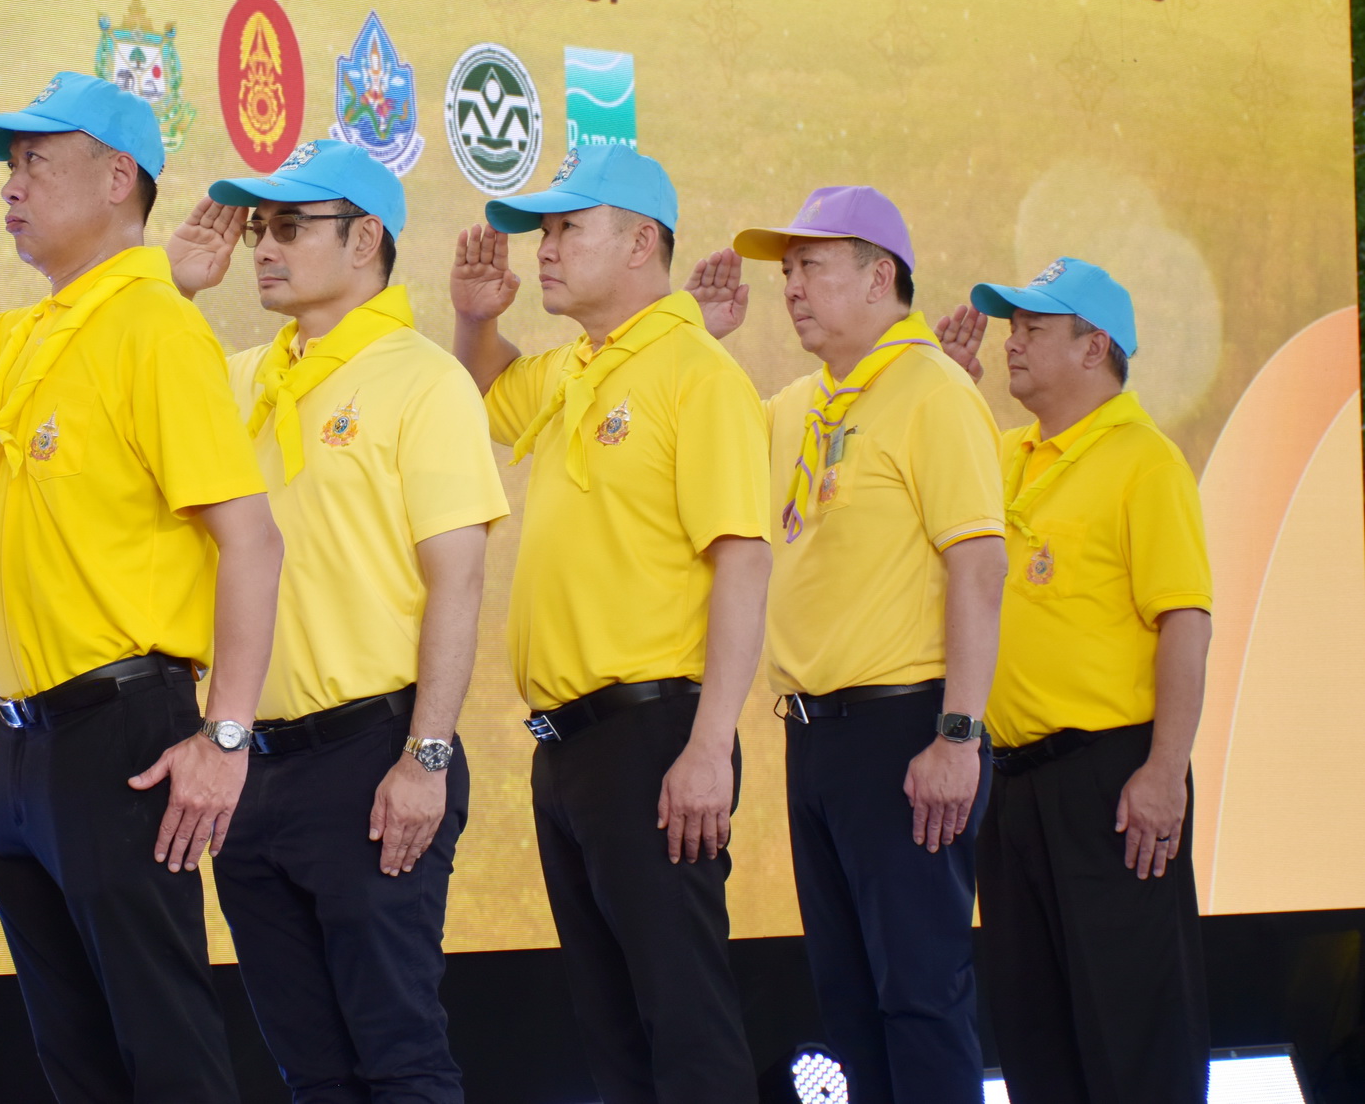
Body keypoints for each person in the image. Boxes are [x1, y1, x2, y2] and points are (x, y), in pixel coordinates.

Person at [0, 71, 282, 1104]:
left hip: (122, 737)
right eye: (10, 165)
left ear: (118, 176)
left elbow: (252, 541)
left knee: (167, 1054)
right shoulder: (16, 338)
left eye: (37, 161)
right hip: (20, 752)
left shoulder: (157, 327)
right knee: (77, 1061)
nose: (11, 184)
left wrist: (226, 739)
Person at [160, 138, 509, 1103]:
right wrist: (175, 290)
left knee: (399, 1058)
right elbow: (131, 383)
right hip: (248, 766)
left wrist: (426, 758)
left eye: (289, 226)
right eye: (259, 228)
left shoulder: (423, 378)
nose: (264, 247)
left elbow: (459, 582)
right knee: (309, 1070)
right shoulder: (239, 377)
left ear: (364, 240)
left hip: (372, 759)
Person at [449, 145, 773, 1103]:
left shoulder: (696, 373)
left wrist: (709, 746)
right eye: (543, 231)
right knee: (612, 1029)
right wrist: (475, 319)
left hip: (655, 736)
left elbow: (744, 562)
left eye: (567, 228)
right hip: (568, 748)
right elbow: (486, 391)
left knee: (685, 1023)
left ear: (640, 243)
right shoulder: (572, 368)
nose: (545, 249)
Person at [688, 186, 1007, 1103]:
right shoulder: (797, 405)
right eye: (787, 270)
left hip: (906, 732)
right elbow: (702, 453)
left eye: (812, 266)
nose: (791, 287)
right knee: (850, 999)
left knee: (920, 995)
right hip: (813, 737)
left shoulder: (934, 392)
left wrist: (958, 734)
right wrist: (700, 341)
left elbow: (979, 568)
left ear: (879, 278)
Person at [946, 258, 1212, 1103]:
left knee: (1133, 1029)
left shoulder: (1144, 460)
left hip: (1111, 780)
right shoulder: (1004, 454)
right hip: (1010, 783)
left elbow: (1185, 620)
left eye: (1033, 327)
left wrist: (1165, 770)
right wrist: (948, 392)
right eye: (1011, 326)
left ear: (1094, 347)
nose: (1011, 342)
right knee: (1034, 1032)